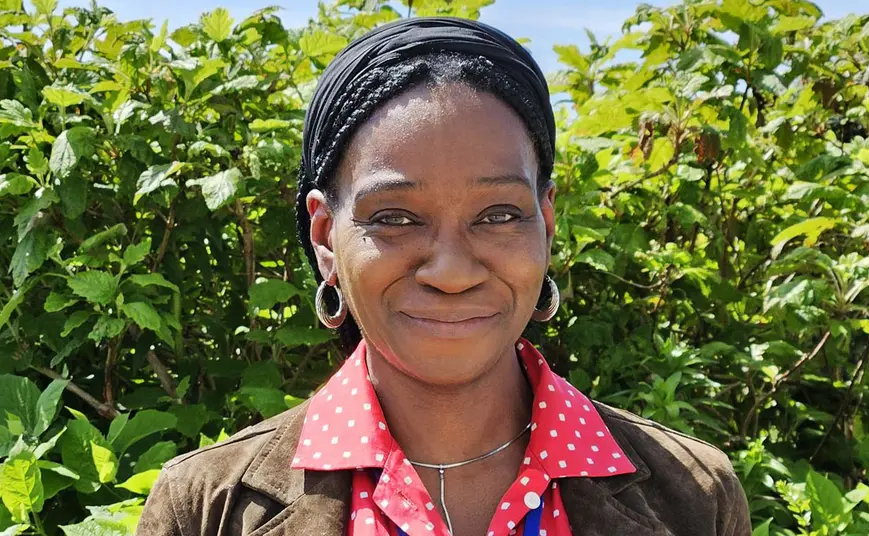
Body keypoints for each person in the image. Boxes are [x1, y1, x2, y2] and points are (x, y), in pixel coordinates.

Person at [136, 17, 751, 536]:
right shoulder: (205, 506)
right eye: (396, 217)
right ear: (325, 237)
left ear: (546, 220)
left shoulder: (694, 495)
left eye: (499, 214)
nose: (452, 271)